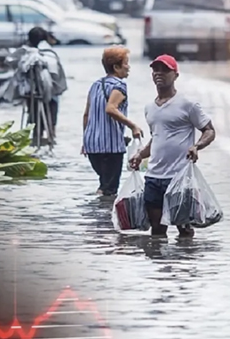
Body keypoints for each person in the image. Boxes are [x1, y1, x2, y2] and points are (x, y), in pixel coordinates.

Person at [129, 54, 216, 238]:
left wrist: (196, 146)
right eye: (155, 70)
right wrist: (139, 155)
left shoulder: (188, 105)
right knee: (157, 231)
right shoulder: (149, 108)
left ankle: (183, 265)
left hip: (179, 179)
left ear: (175, 75)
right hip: (153, 178)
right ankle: (160, 265)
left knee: (184, 230)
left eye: (165, 70)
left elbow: (209, 130)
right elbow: (157, 139)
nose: (159, 73)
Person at [82, 47, 144, 196]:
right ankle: (103, 216)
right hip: (110, 147)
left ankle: (99, 214)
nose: (128, 67)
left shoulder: (95, 85)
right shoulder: (119, 85)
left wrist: (85, 141)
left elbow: (86, 115)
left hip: (92, 146)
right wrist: (133, 125)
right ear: (116, 67)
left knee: (104, 183)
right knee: (108, 189)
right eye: (126, 63)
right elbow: (111, 109)